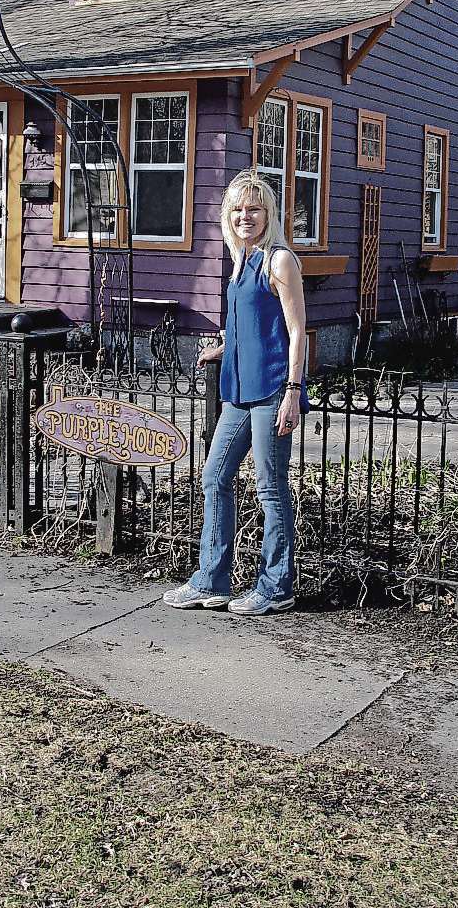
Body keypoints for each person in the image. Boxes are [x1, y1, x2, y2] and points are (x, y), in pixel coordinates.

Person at [163, 169, 309, 617]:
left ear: (269, 214)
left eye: (255, 208)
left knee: (270, 488)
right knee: (215, 478)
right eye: (238, 209)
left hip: (272, 389)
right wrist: (222, 348)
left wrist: (293, 391)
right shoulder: (241, 259)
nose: (246, 216)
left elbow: (297, 330)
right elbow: (251, 324)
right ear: (229, 215)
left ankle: (275, 586)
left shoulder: (278, 260)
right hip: (238, 392)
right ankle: (212, 578)